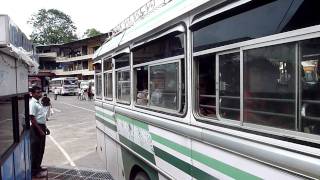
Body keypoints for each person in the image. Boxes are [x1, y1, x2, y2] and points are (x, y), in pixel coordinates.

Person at [29, 86, 50, 178]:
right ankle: (34, 172)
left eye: (40, 92)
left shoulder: (38, 102)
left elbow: (40, 117)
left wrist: (45, 128)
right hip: (35, 128)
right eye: (37, 92)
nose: (40, 94)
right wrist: (40, 130)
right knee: (36, 150)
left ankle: (38, 167)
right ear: (32, 94)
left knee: (41, 149)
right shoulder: (32, 103)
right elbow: (32, 119)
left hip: (41, 127)